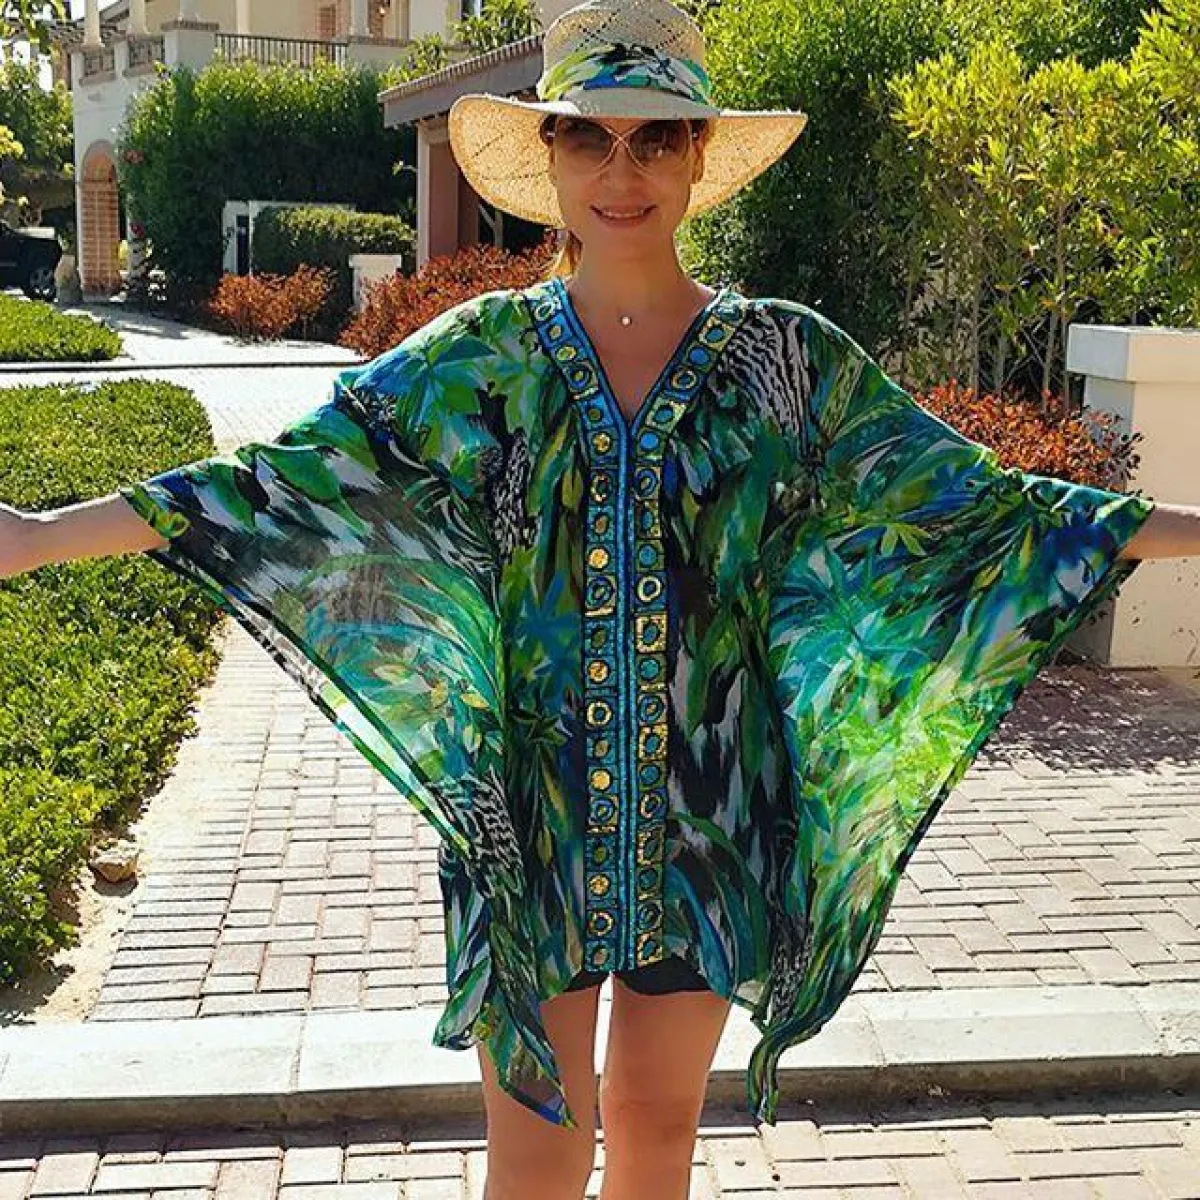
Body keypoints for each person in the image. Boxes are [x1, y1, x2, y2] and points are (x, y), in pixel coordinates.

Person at [1, 0, 1198, 1196]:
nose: (623, 173)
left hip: (712, 816)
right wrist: (43, 538)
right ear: (554, 155)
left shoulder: (787, 363)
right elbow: (278, 484)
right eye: (591, 136)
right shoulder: (481, 359)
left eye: (657, 138)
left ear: (698, 156)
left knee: (658, 1132)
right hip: (534, 814)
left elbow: (985, 508)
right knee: (537, 1151)